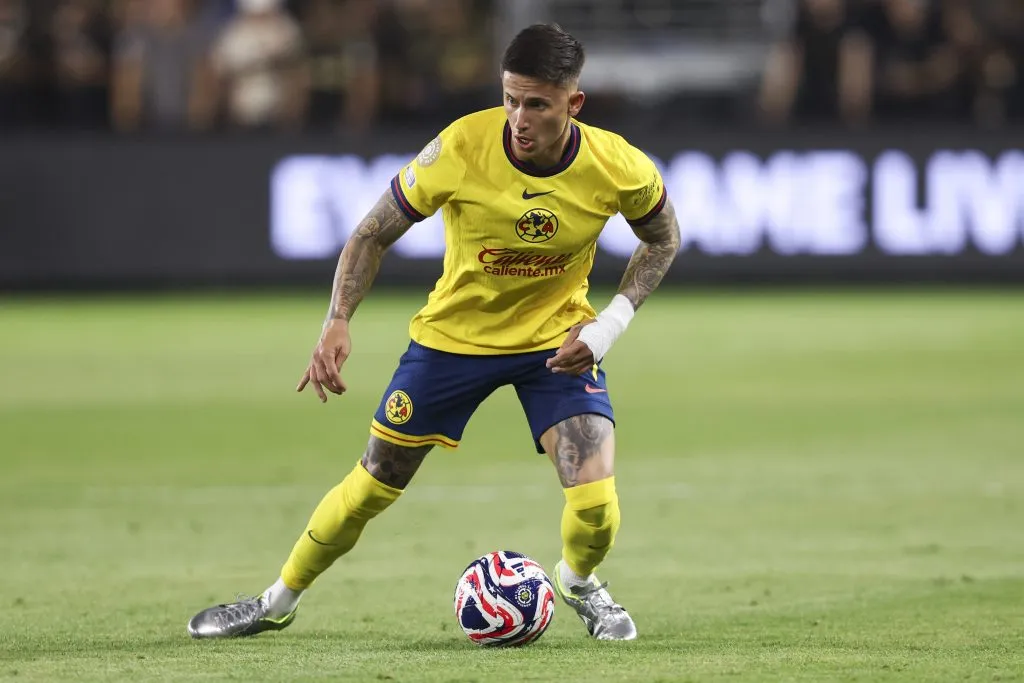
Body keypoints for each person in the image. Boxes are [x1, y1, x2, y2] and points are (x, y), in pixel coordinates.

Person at [187, 23, 681, 642]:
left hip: (555, 346)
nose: (519, 119)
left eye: (537, 105)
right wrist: (337, 319)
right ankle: (274, 601)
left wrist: (608, 326)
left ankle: (580, 583)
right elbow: (371, 234)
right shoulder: (461, 146)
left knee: (596, 508)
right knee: (373, 483)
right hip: (452, 343)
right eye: (510, 99)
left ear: (573, 103)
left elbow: (662, 239)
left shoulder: (617, 165)